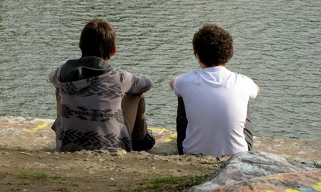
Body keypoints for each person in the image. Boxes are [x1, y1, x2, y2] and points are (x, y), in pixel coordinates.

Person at [50, 18, 155, 152]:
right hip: (111, 146)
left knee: (60, 88)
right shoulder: (119, 77)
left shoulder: (60, 73)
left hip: (67, 146)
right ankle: (140, 141)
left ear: (80, 45)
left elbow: (51, 76)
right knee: (137, 94)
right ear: (113, 51)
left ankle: (72, 132)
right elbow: (147, 83)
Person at [169, 24, 260, 158]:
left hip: (191, 152)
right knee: (244, 97)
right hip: (238, 155)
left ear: (198, 55)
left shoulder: (186, 81)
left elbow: (172, 82)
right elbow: (257, 89)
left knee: (182, 94)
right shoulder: (242, 81)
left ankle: (195, 140)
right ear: (228, 54)